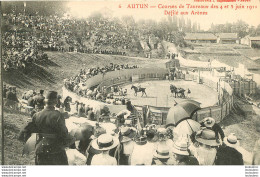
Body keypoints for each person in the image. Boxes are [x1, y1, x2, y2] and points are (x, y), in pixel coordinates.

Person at [29, 91, 73, 165]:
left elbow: (31, 132)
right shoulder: (58, 115)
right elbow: (63, 134)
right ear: (55, 101)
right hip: (55, 150)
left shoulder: (36, 115)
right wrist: (71, 139)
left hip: (40, 149)